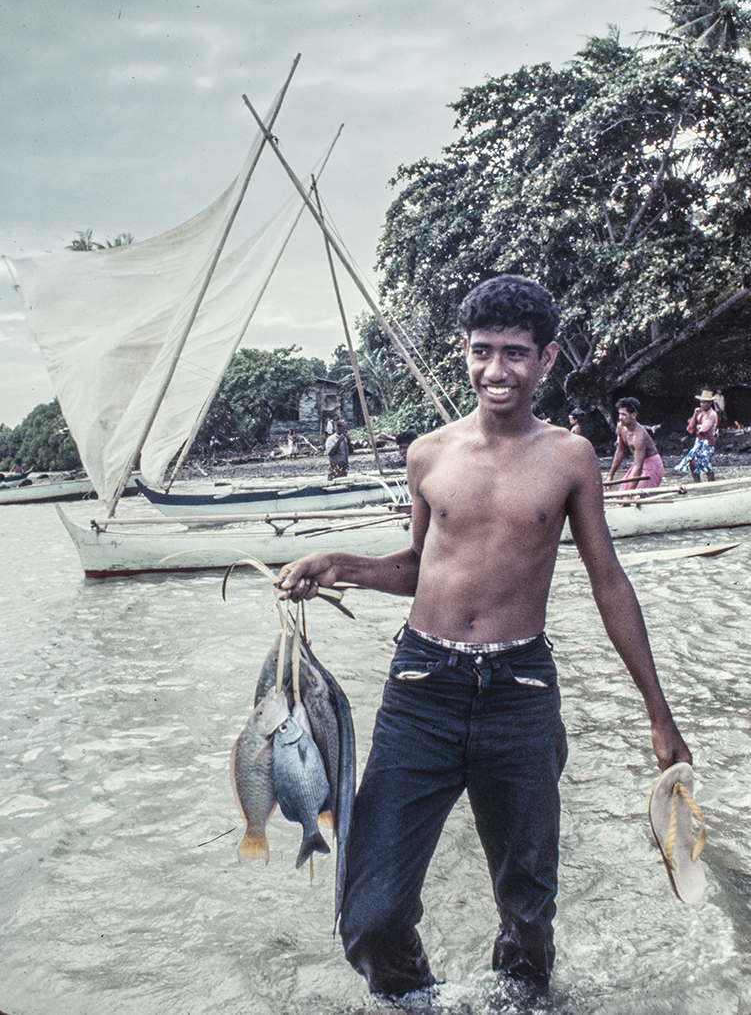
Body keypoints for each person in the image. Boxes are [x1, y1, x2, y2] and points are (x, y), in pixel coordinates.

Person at [280, 275, 690, 1000]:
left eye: (515, 353)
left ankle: (519, 998)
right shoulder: (428, 455)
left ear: (548, 358)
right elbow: (416, 569)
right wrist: (336, 564)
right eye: (481, 352)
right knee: (370, 916)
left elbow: (608, 583)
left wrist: (659, 716)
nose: (496, 371)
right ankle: (422, 999)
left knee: (528, 917)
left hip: (520, 695)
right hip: (420, 692)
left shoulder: (569, 458)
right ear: (461, 354)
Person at [605, 398, 664, 492]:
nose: (620, 417)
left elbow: (638, 466)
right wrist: (611, 475)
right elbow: (620, 452)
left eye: (624, 415)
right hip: (639, 463)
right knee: (622, 494)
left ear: (634, 415)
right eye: (619, 414)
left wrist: (630, 494)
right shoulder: (621, 427)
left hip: (652, 464)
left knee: (637, 495)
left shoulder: (639, 436)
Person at [676, 390, 719, 482]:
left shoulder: (712, 414)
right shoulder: (700, 413)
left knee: (706, 465)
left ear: (710, 403)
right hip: (699, 441)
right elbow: (691, 426)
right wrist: (695, 414)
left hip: (708, 442)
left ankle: (711, 485)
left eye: (705, 402)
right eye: (701, 402)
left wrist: (697, 426)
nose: (702, 405)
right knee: (692, 463)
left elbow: (704, 428)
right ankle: (697, 484)